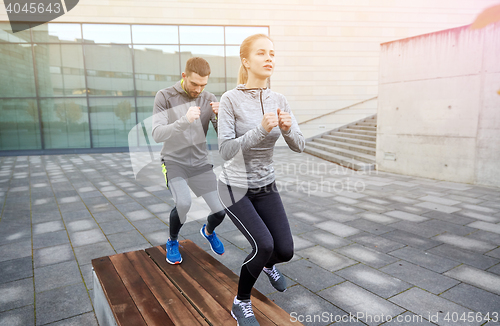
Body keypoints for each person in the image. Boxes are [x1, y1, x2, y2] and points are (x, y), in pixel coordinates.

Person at [217, 34, 305, 326]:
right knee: (263, 245)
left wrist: (289, 129)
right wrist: (259, 130)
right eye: (261, 53)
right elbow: (226, 150)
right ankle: (240, 301)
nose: (269, 58)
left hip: (265, 185)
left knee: (285, 251)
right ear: (246, 60)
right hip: (233, 187)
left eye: (272, 53)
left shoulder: (279, 99)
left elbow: (299, 145)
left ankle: (268, 267)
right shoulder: (230, 99)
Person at [152, 57, 226, 264]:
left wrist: (222, 118)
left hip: (200, 163)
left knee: (220, 211)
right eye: (194, 84)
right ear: (184, 76)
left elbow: (223, 135)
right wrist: (184, 120)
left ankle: (208, 232)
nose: (198, 90)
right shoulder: (165, 96)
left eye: (203, 85)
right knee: (183, 203)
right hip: (174, 162)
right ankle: (173, 240)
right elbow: (157, 134)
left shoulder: (208, 98)